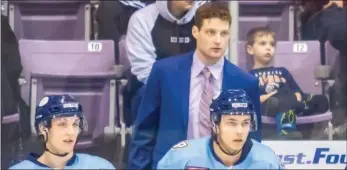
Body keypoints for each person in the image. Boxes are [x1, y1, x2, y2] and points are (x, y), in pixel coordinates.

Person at [128, 2, 261, 169]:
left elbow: (253, 142)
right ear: (195, 32)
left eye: (224, 33)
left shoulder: (245, 82)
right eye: (211, 32)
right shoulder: (164, 72)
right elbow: (144, 133)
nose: (218, 40)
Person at [125, 0, 208, 124]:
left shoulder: (206, 20)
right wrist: (177, 93)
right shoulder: (142, 19)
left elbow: (214, 63)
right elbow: (144, 70)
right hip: (155, 88)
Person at [158, 89, 283, 169]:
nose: (240, 131)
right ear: (215, 124)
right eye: (231, 123)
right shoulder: (181, 157)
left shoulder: (267, 160)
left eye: (245, 123)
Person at [246, 26, 329, 139]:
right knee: (280, 100)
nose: (268, 48)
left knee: (321, 101)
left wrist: (297, 98)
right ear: (250, 49)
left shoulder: (282, 71)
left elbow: (296, 91)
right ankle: (287, 129)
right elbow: (252, 100)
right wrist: (266, 97)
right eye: (263, 44)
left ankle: (299, 106)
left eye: (272, 44)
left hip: (289, 99)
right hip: (270, 104)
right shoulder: (249, 76)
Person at [8, 95, 116, 169]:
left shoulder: (100, 166)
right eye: (62, 124)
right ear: (42, 128)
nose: (71, 132)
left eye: (75, 124)